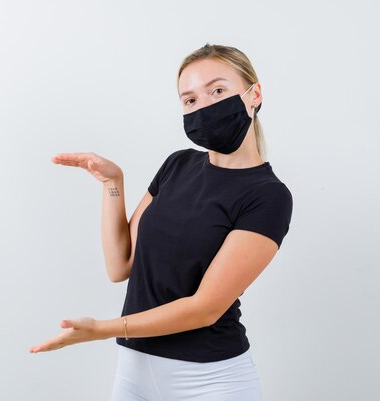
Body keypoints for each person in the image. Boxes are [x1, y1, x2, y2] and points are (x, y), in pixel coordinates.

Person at [28, 43, 294, 401]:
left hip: (211, 380)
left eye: (217, 90)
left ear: (254, 94)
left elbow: (206, 308)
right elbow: (119, 266)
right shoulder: (177, 165)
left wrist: (103, 329)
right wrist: (113, 184)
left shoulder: (268, 196)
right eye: (190, 100)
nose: (205, 106)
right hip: (134, 371)